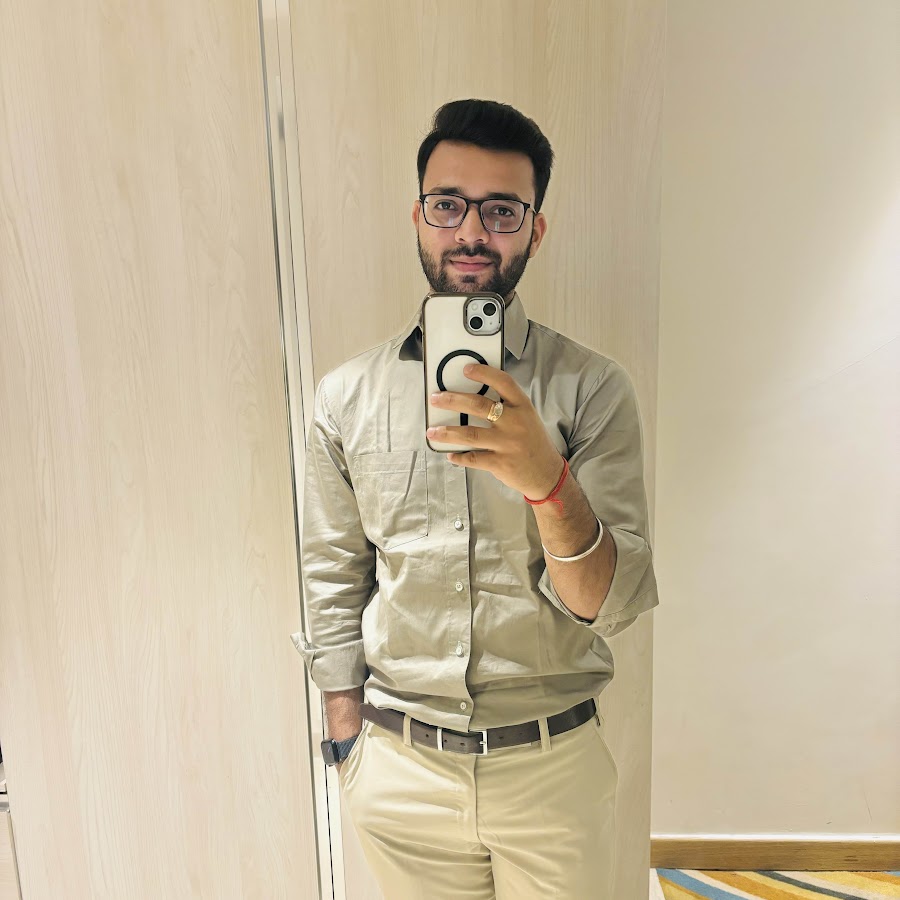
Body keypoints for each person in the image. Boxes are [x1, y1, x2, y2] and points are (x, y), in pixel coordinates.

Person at [292, 98, 659, 899]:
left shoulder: (592, 390)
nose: (470, 231)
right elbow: (333, 573)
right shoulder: (345, 397)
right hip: (399, 770)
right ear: (418, 217)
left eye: (501, 210)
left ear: (535, 229)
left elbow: (609, 604)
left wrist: (548, 482)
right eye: (447, 205)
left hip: (551, 772)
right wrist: (345, 735)